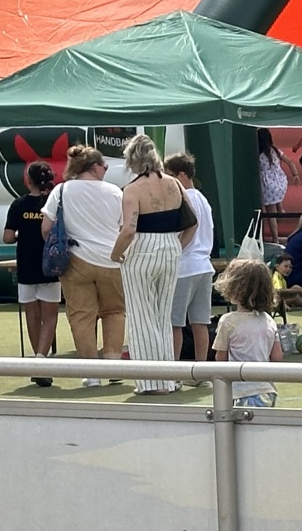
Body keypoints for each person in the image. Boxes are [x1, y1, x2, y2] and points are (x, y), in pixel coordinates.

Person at [111, 134, 194, 395]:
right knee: (161, 316)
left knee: (141, 316)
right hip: (170, 247)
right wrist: (176, 247)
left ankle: (150, 381)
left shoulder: (132, 190)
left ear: (132, 161)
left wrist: (115, 254)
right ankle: (167, 378)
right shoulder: (175, 185)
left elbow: (128, 230)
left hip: (142, 249)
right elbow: (192, 223)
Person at [42, 145, 125, 386]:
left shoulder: (62, 190)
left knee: (81, 316)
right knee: (114, 312)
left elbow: (46, 228)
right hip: (112, 259)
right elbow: (124, 227)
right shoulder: (114, 192)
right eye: (105, 166)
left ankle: (91, 374)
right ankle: (113, 365)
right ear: (96, 167)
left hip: (76, 259)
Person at [2, 160, 59, 386]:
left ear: (28, 180)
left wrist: (20, 235)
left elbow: (7, 237)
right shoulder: (52, 203)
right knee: (51, 315)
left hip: (26, 263)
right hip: (49, 264)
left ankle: (38, 360)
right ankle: (41, 358)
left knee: (31, 314)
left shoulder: (18, 205)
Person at [165, 152, 215, 369]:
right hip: (204, 264)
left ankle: (175, 370)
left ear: (182, 175)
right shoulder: (202, 198)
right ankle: (201, 368)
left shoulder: (183, 198)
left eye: (170, 176)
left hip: (185, 265)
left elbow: (186, 229)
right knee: (200, 322)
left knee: (175, 322)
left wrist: (173, 250)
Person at [213, 259, 283, 408]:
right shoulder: (268, 320)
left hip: (240, 391)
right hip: (266, 389)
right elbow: (277, 357)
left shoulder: (228, 321)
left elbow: (221, 358)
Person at [256, 128, 301, 244]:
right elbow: (290, 162)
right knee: (276, 201)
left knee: (270, 211)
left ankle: (275, 238)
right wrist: (295, 174)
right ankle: (280, 209)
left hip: (268, 184)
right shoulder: (275, 150)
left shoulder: (258, 153)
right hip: (280, 181)